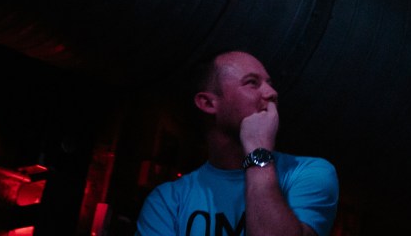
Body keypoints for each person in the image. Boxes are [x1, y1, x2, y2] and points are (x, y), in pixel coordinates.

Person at [135, 50, 339, 236]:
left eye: (269, 83)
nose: (271, 93)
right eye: (252, 83)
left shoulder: (308, 172)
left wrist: (258, 151)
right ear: (208, 103)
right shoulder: (168, 200)